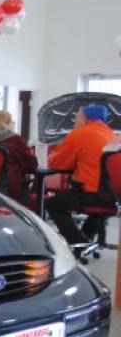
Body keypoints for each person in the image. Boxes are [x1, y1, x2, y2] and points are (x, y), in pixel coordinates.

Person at [45, 104, 115, 244]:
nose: (74, 121)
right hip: (113, 195)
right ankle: (85, 239)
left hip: (92, 193)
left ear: (85, 118)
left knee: (52, 204)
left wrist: (51, 156)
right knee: (99, 212)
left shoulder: (79, 134)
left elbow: (58, 164)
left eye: (76, 117)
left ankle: (77, 242)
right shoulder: (111, 135)